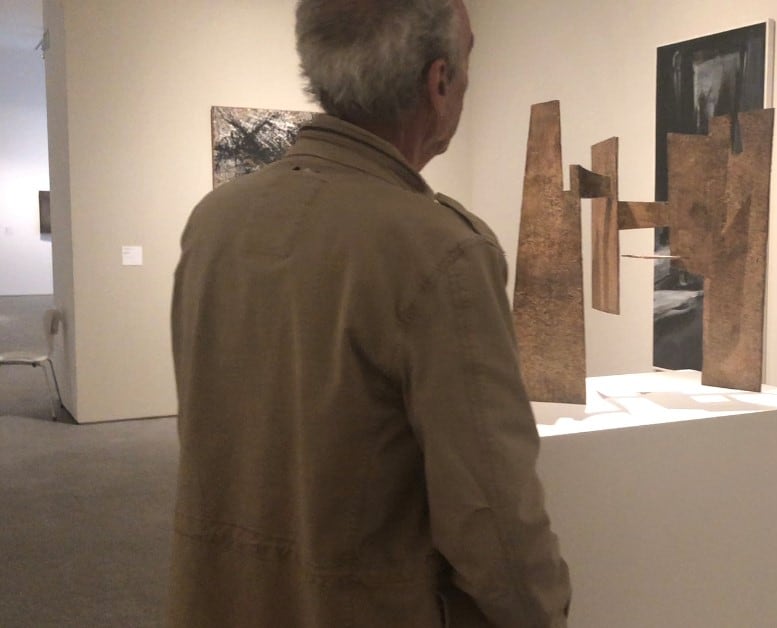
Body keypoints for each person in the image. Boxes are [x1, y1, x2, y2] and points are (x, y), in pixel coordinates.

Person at [167, 1, 571, 626]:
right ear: (440, 82)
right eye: (469, 61)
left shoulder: (217, 219)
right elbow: (491, 512)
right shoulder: (442, 250)